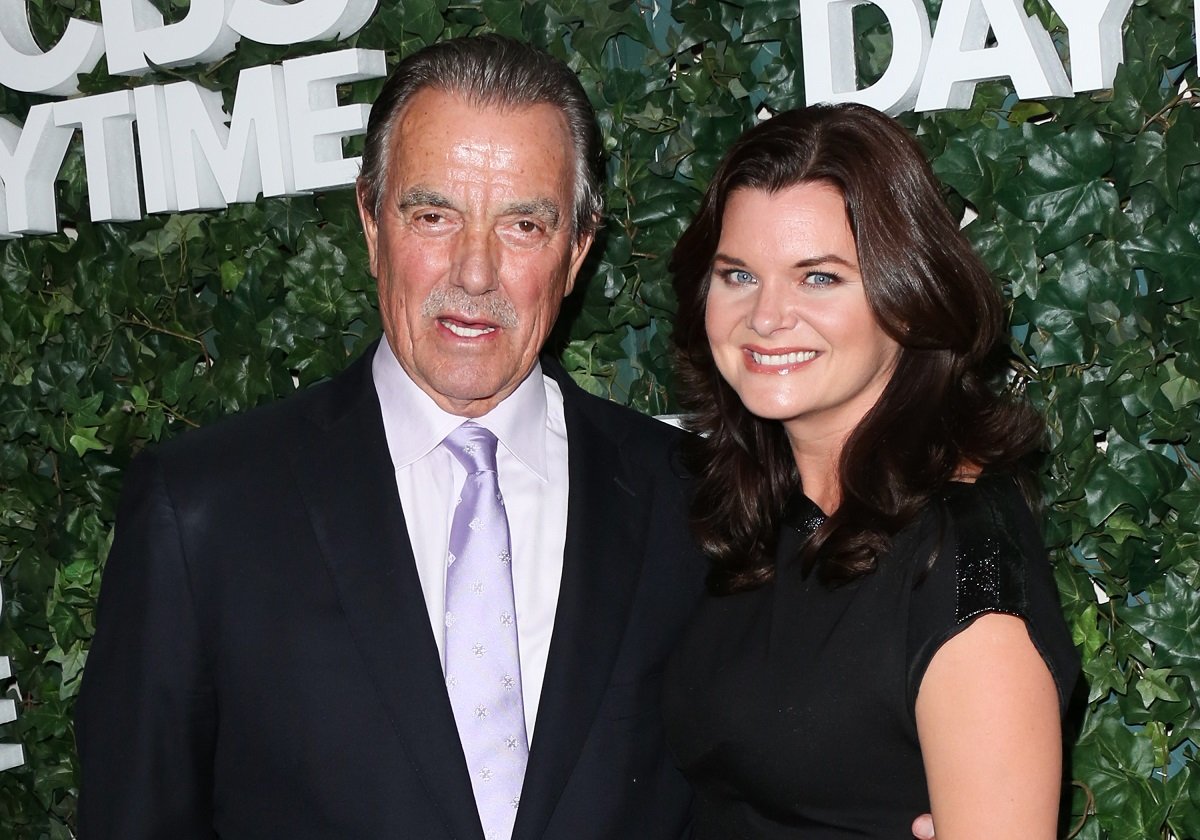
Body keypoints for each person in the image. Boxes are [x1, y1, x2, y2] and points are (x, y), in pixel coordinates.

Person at [75, 35, 706, 840]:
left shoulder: (689, 499)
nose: (474, 273)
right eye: (433, 215)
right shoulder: (203, 511)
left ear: (578, 250)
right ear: (371, 223)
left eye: (522, 225)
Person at [662, 103, 1080, 839]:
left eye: (818, 278)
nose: (766, 317)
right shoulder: (760, 512)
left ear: (909, 298)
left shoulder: (962, 563)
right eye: (737, 275)